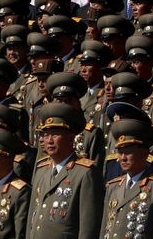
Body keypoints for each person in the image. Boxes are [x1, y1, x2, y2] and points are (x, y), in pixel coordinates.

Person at [27, 102, 103, 239]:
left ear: (71, 136)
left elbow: (88, 228)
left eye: (55, 134)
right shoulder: (41, 169)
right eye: (46, 134)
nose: (49, 140)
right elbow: (32, 220)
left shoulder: (85, 173)